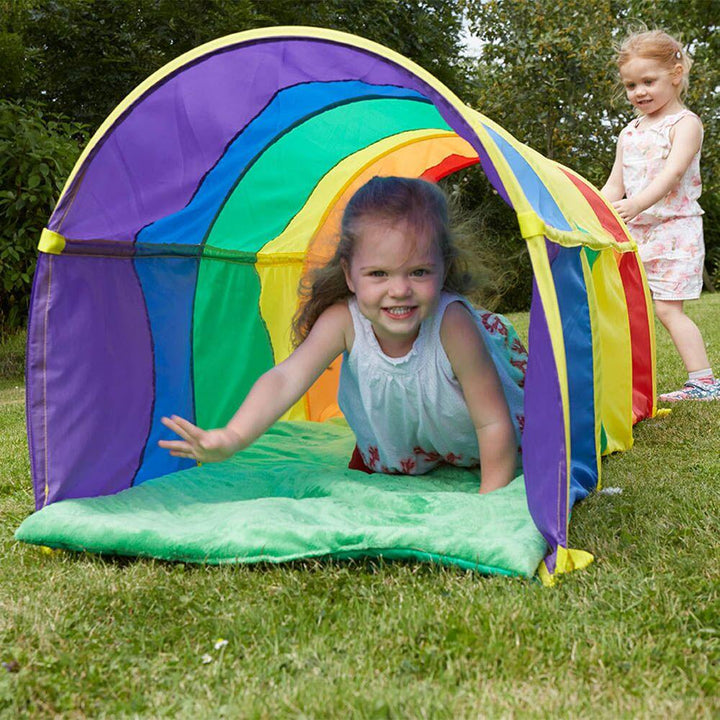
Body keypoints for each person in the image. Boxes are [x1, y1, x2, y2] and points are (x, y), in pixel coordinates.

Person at [160, 176, 527, 493]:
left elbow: (493, 421)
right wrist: (232, 437)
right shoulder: (345, 321)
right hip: (415, 441)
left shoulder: (452, 324)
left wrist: (490, 502)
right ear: (350, 275)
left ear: (443, 269)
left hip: (480, 433)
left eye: (418, 272)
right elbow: (286, 378)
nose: (399, 290)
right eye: (378, 274)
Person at [601, 29, 719, 401]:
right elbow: (613, 185)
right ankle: (626, 383)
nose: (639, 92)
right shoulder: (629, 132)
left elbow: (671, 176)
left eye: (648, 81)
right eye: (631, 85)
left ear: (676, 73)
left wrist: (636, 205)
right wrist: (591, 212)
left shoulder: (686, 124)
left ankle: (704, 382)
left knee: (668, 309)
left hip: (674, 229)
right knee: (628, 308)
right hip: (636, 234)